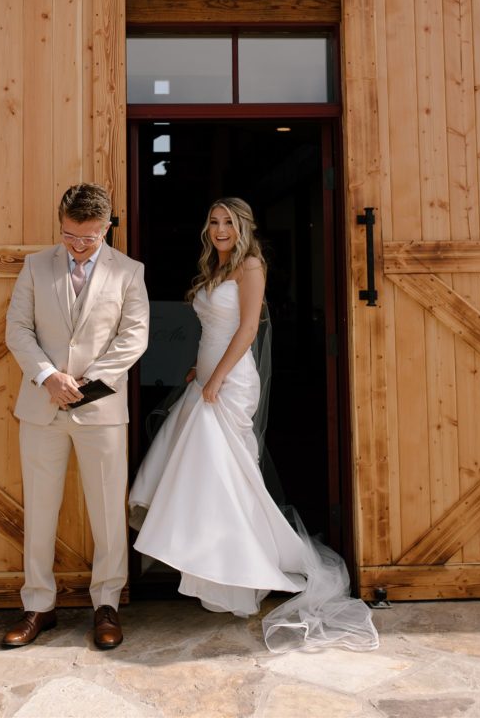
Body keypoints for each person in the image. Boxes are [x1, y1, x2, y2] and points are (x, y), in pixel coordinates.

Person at [129, 197, 378, 653]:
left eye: (228, 222)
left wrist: (219, 377)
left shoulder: (250, 265)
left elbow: (246, 329)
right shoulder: (214, 269)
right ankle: (214, 566)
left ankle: (241, 571)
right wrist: (197, 371)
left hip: (232, 380)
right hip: (206, 376)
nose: (220, 228)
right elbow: (210, 329)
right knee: (209, 479)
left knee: (225, 474)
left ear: (243, 227)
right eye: (214, 221)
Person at [4, 183, 149, 650]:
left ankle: (106, 604)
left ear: (105, 228)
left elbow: (133, 338)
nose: (77, 245)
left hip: (101, 410)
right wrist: (49, 376)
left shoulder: (129, 272)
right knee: (41, 510)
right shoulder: (34, 265)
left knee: (108, 512)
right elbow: (18, 329)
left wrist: (82, 387)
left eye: (87, 237)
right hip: (41, 405)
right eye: (69, 235)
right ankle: (38, 606)